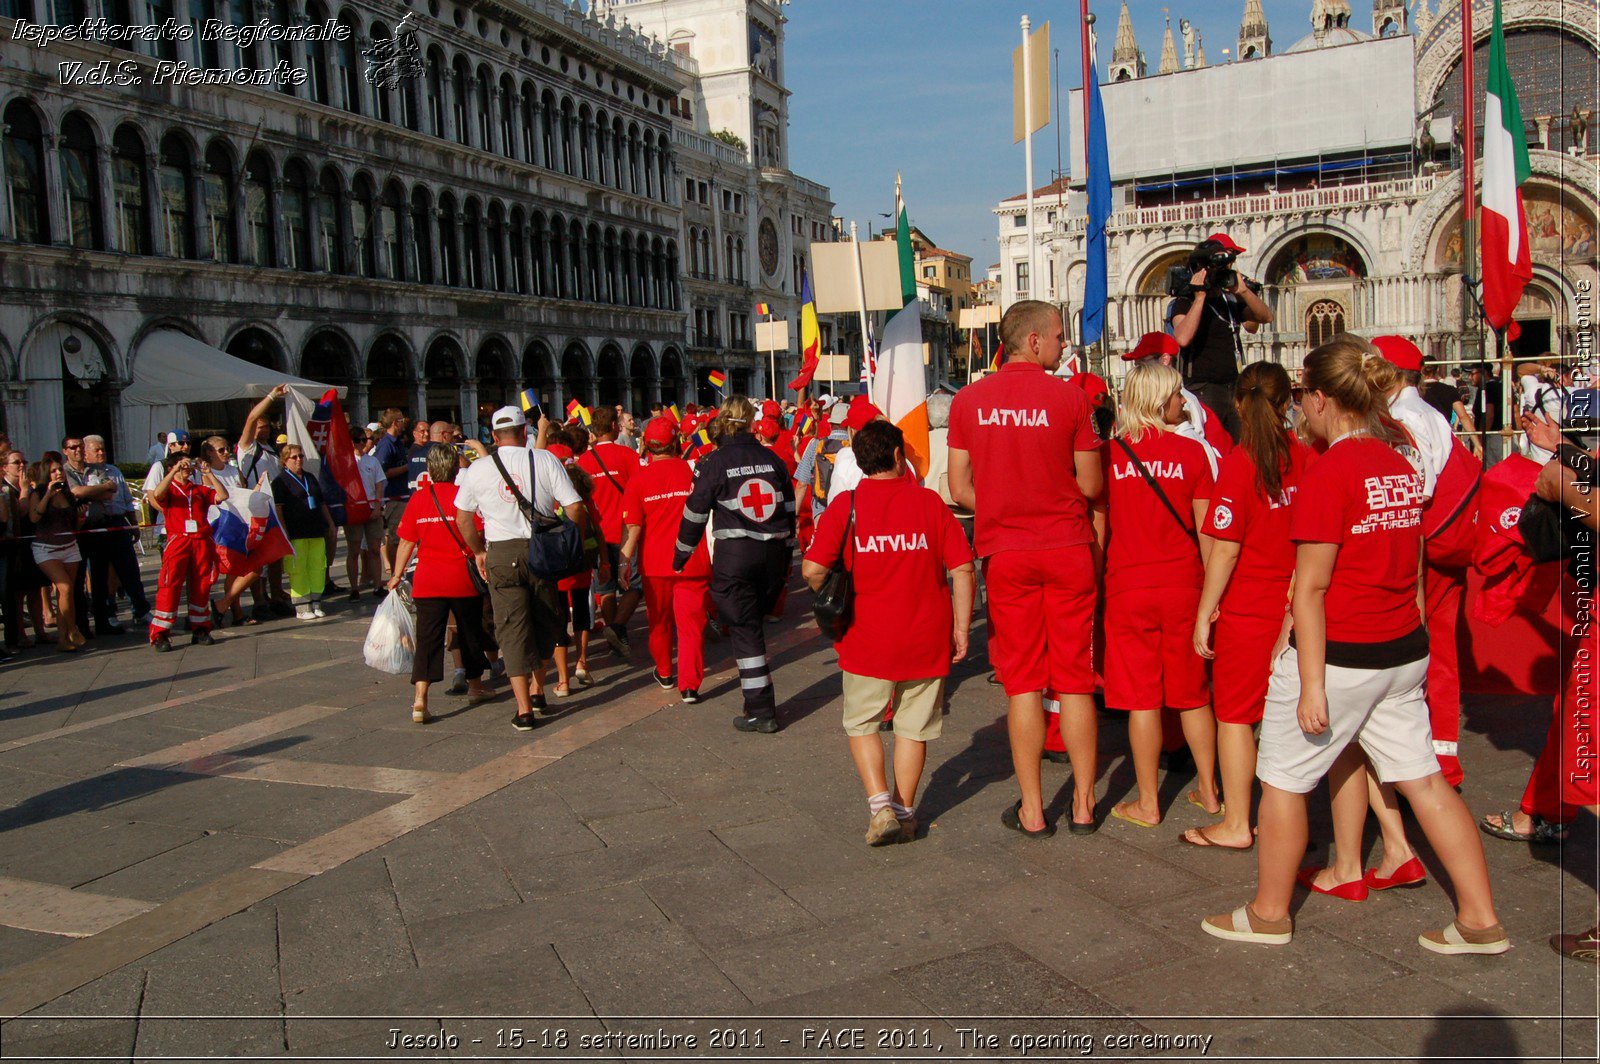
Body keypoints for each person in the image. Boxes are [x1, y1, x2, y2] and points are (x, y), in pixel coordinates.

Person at [1202, 338, 1507, 955]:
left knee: (1283, 782)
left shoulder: (1330, 473)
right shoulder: (1400, 462)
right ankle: (1480, 918)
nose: (1299, 413)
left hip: (1342, 651)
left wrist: (1309, 682)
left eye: (1302, 399)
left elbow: (1308, 591)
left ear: (1319, 399)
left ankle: (1268, 913)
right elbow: (1415, 563)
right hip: (1401, 647)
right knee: (1423, 780)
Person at [948, 299, 1104, 837]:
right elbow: (1090, 485)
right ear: (1033, 341)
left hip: (1007, 552)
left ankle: (1033, 810)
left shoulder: (969, 401)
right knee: (1076, 682)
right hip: (1067, 547)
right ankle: (1084, 805)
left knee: (1022, 685)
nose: (1064, 346)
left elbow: (958, 486)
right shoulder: (1071, 399)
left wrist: (1000, 508)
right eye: (1059, 336)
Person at [802, 421, 976, 845]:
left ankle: (881, 808)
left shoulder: (847, 506)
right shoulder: (930, 503)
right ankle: (905, 811)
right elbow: (963, 568)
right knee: (914, 728)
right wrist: (961, 627)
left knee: (862, 722)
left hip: (867, 637)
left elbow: (812, 569)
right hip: (926, 635)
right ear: (899, 456)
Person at [1190, 362, 1314, 849]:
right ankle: (1289, 817)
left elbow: (1225, 547)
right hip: (1297, 606)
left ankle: (1237, 822)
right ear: (1289, 403)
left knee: (1236, 719)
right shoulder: (1307, 458)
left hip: (1247, 610)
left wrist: (1205, 610)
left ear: (1238, 405)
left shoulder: (1241, 464)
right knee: (1292, 717)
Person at [1099, 359, 1218, 829]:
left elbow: (1101, 526)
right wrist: (1213, 596)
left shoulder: (1111, 456)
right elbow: (1208, 534)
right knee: (1193, 696)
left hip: (1128, 587)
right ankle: (1210, 792)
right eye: (1174, 395)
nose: (1181, 403)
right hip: (1185, 587)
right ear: (1158, 401)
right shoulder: (1193, 455)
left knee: (1142, 700)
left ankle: (1148, 802)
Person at [1373, 335, 1483, 789]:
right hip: (1448, 544)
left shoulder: (1404, 418)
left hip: (1424, 551)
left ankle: (1420, 762)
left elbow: (1415, 494)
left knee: (1414, 656)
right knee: (1441, 656)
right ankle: (1443, 758)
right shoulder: (1429, 412)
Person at [453, 406, 586, 732]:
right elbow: (575, 506)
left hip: (501, 551)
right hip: (541, 549)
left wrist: (478, 552)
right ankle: (539, 688)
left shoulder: (479, 468)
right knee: (545, 620)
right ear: (524, 430)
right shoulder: (543, 459)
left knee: (511, 629)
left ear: (494, 437)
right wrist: (565, 536)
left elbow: (463, 519)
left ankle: (524, 709)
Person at [673, 395, 796, 734]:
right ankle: (754, 701)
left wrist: (681, 555)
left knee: (744, 631)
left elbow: (694, 513)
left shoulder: (714, 461)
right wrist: (786, 554)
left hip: (736, 555)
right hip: (772, 555)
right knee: (753, 626)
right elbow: (789, 511)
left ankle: (761, 709)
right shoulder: (772, 460)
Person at [389, 442, 495, 723]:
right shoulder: (464, 497)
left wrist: (397, 574)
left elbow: (406, 542)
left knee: (428, 639)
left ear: (430, 469)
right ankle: (475, 686)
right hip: (461, 577)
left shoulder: (418, 499)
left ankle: (420, 699)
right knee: (469, 632)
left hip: (427, 579)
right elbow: (480, 534)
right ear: (457, 467)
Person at [620, 416, 713, 701]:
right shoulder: (695, 472)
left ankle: (664, 671)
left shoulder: (638, 479)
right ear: (676, 443)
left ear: (647, 445)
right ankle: (689, 685)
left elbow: (632, 527)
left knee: (659, 622)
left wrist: (624, 562)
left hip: (655, 563)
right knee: (691, 625)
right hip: (693, 560)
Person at [1169, 234, 1274, 441]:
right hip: (1203, 387)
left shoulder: (1229, 299)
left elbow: (1263, 318)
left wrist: (1243, 291)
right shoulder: (1184, 301)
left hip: (1233, 383)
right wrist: (1199, 296)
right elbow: (1182, 338)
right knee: (1213, 442)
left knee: (1241, 441)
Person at [577, 405, 642, 657]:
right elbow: (640, 492)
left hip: (596, 536)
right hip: (626, 533)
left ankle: (616, 636)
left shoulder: (583, 461)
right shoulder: (628, 456)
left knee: (605, 588)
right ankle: (616, 628)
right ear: (614, 426)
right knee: (634, 586)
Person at [148, 451, 227, 651]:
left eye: (187, 466)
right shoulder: (170, 489)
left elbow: (222, 495)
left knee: (201, 584)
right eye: (182, 466)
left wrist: (208, 473)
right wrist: (174, 469)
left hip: (200, 540)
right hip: (179, 541)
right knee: (170, 584)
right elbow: (157, 494)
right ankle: (160, 633)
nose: (186, 470)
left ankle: (200, 628)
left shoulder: (198, 489)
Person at [82, 435, 153, 631]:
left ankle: (140, 610)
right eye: (96, 450)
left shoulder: (114, 471)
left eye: (102, 449)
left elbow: (126, 498)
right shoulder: (84, 474)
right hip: (96, 526)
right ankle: (107, 613)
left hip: (118, 522)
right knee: (100, 575)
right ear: (85, 452)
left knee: (130, 570)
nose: (100, 453)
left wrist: (133, 523)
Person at [26, 457, 87, 653]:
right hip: (45, 548)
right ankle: (72, 629)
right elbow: (34, 517)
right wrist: (48, 495)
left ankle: (64, 637)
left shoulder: (68, 495)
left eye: (60, 470)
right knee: (65, 587)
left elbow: (73, 526)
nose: (59, 473)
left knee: (67, 594)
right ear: (46, 474)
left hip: (69, 547)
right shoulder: (39, 493)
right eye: (53, 471)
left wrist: (81, 516)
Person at [271, 445, 334, 620]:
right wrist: (284, 532)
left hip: (315, 529)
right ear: (285, 460)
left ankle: (316, 602)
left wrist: (330, 523)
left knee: (317, 566)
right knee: (298, 569)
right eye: (294, 457)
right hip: (295, 532)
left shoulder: (310, 477)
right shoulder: (280, 481)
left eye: (301, 456)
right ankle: (302, 606)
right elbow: (279, 509)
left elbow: (321, 502)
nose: (299, 460)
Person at [345, 426, 386, 598]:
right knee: (354, 550)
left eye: (364, 440)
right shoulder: (346, 461)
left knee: (375, 549)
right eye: (357, 440)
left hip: (371, 508)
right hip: (354, 509)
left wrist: (377, 506)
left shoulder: (372, 461)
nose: (362, 443)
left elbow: (379, 484)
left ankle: (377, 585)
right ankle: (354, 588)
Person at [373, 408, 412, 577]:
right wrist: (407, 467)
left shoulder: (397, 442)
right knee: (395, 537)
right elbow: (382, 472)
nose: (404, 424)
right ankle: (396, 572)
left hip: (403, 494)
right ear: (396, 423)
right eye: (402, 421)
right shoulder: (386, 445)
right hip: (393, 497)